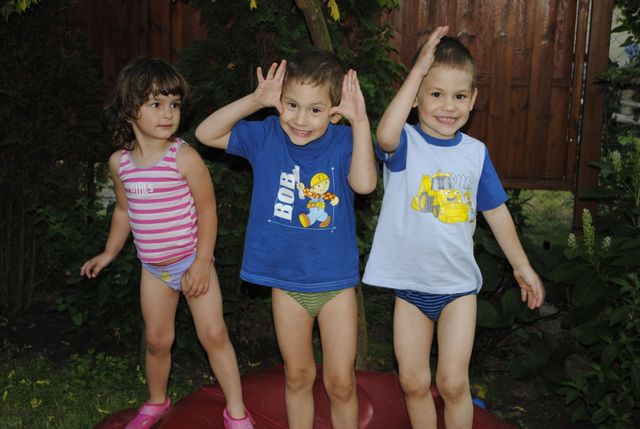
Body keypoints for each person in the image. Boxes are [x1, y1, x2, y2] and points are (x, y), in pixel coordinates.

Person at [362, 26, 545, 428]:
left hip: (458, 289)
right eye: (436, 94)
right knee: (413, 383)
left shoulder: (475, 154)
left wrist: (522, 266)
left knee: (452, 382)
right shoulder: (406, 143)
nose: (449, 106)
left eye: (460, 96)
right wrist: (417, 71)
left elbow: (497, 213)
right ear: (415, 97)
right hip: (410, 289)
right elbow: (384, 135)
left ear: (473, 100)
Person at [195, 47, 377, 429]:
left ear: (334, 112)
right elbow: (205, 133)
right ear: (280, 100)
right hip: (286, 283)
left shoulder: (345, 141)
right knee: (297, 376)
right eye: (292, 105)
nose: (300, 119)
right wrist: (255, 101)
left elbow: (364, 185)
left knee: (341, 383)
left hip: (335, 284)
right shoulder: (266, 135)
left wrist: (360, 122)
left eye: (315, 109)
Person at [80, 57, 254, 429]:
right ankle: (157, 401)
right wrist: (108, 252)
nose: (168, 113)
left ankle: (237, 411)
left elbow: (207, 210)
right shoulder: (120, 164)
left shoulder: (184, 157)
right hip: (154, 271)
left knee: (214, 335)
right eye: (156, 104)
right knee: (158, 341)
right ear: (129, 109)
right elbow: (123, 211)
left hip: (192, 262)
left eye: (174, 104)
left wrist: (202, 262)